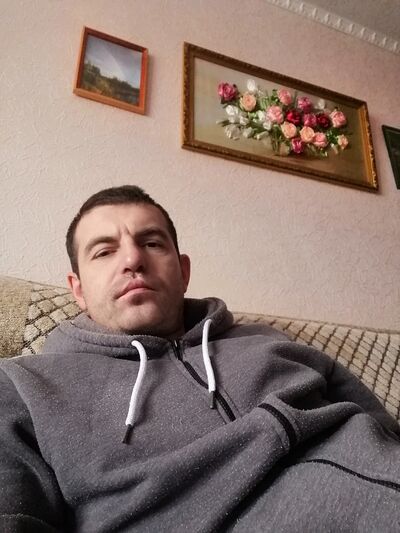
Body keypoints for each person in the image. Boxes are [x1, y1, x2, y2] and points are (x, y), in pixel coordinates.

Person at [1, 185, 399, 533]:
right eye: (104, 251)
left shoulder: (267, 339)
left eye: (152, 243)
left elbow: (385, 431)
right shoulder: (24, 385)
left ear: (183, 271)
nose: (133, 260)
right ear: (78, 290)